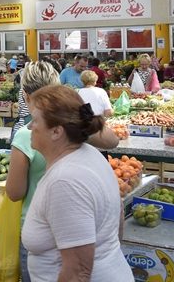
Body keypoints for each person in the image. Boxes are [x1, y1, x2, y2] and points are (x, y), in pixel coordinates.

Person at [8, 61, 119, 281]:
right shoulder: (90, 151)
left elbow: (77, 271)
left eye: (36, 123)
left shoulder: (63, 181)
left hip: (51, 241)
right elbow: (111, 139)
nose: (30, 128)